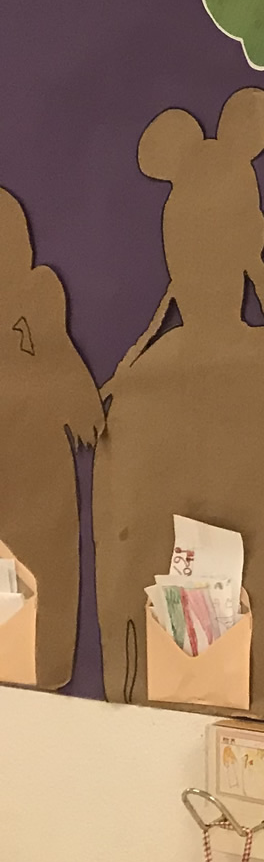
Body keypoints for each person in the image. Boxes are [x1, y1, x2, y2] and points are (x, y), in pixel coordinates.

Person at [94, 88, 264, 720]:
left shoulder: (143, 383)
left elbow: (117, 554)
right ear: (250, 242)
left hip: (175, 682)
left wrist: (123, 664)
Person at [0, 186, 101, 689]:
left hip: (39, 471)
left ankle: (45, 669)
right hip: (38, 463)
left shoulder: (38, 298)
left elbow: (80, 405)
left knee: (43, 587)